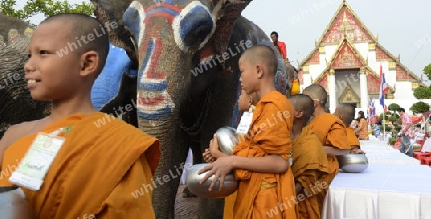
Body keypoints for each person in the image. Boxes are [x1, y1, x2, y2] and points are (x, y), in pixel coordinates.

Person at [0, 14, 160, 218]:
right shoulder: (13, 136)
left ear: (86, 64)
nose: (28, 65)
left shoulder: (119, 144)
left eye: (43, 53)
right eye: (29, 55)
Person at [199, 45, 297, 218]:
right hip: (254, 191)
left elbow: (279, 163)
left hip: (266, 199)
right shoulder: (262, 108)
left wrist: (230, 161)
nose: (240, 78)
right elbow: (254, 152)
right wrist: (220, 156)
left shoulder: (274, 106)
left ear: (259, 70)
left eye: (242, 71)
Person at [203, 88, 259, 219]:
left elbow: (249, 165)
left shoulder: (258, 124)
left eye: (240, 95)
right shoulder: (245, 120)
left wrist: (217, 153)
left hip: (250, 190)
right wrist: (215, 157)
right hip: (237, 188)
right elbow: (237, 154)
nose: (238, 99)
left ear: (250, 100)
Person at [302, 84, 350, 188]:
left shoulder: (331, 121)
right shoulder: (308, 121)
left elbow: (344, 149)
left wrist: (318, 149)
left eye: (304, 101)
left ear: (314, 103)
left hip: (324, 171)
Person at [289, 94, 329, 219]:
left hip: (297, 203)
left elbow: (302, 185)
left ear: (299, 113)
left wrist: (278, 202)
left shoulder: (310, 144)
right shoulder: (281, 135)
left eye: (286, 108)